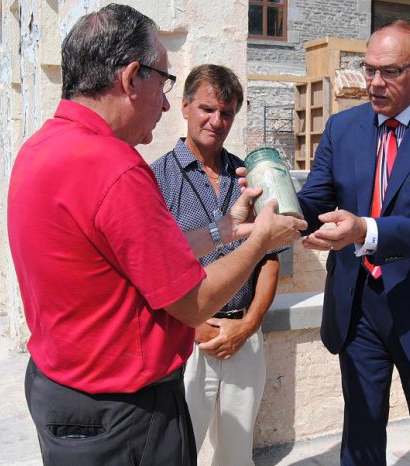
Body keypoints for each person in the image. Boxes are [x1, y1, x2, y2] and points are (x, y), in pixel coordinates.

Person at [6, 5, 305, 465]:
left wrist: (225, 229)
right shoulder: (118, 169)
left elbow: (139, 258)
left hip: (62, 391)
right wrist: (261, 240)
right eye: (164, 83)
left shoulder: (40, 148)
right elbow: (192, 301)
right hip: (123, 412)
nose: (165, 103)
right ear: (130, 78)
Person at [295, 20, 410, 465]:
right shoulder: (343, 129)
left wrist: (366, 231)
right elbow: (316, 200)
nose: (375, 83)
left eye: (390, 71)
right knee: (359, 434)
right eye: (368, 69)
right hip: (357, 305)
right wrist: (274, 204)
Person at [151, 64, 279, 466]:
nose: (216, 121)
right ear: (185, 107)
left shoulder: (249, 179)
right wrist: (193, 325)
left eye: (226, 113)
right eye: (207, 109)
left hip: (244, 333)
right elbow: (151, 269)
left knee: (237, 454)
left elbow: (269, 256)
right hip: (188, 339)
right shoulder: (156, 179)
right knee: (182, 450)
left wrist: (250, 324)